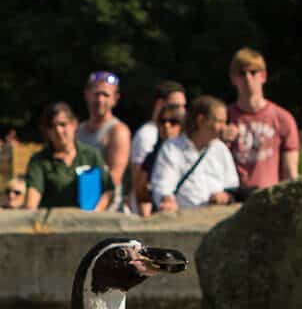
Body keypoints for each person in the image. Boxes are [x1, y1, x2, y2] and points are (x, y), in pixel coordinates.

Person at [223, 47, 299, 193]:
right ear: (233, 79)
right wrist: (221, 142)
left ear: (263, 76)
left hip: (269, 199)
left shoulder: (283, 119)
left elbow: (291, 173)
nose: (247, 78)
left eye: (253, 72)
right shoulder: (223, 118)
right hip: (233, 199)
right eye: (241, 73)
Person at [152, 96, 239, 213]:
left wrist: (225, 197)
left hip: (217, 221)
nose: (224, 127)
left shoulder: (221, 149)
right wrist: (167, 201)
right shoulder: (172, 148)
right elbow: (163, 186)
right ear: (201, 120)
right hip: (184, 223)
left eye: (225, 122)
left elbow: (232, 186)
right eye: (219, 121)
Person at [23, 102, 113, 211]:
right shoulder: (39, 160)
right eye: (52, 126)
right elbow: (32, 198)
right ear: (47, 131)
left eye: (62, 124)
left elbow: (108, 190)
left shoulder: (91, 155)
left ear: (74, 124)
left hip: (89, 223)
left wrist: (95, 212)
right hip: (53, 224)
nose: (58, 130)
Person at [76, 70, 130, 212]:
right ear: (86, 95)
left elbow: (115, 177)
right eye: (96, 94)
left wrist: (97, 209)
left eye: (105, 95)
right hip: (79, 204)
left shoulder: (118, 131)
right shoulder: (78, 131)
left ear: (115, 99)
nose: (100, 100)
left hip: (109, 209)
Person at [132, 104, 184, 218]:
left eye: (173, 121)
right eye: (162, 121)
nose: (166, 125)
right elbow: (141, 194)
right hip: (158, 217)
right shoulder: (150, 158)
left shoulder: (189, 155)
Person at [130, 80, 187, 172]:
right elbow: (139, 177)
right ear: (160, 104)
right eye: (176, 106)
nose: (182, 111)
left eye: (184, 106)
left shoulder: (184, 134)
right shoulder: (146, 135)